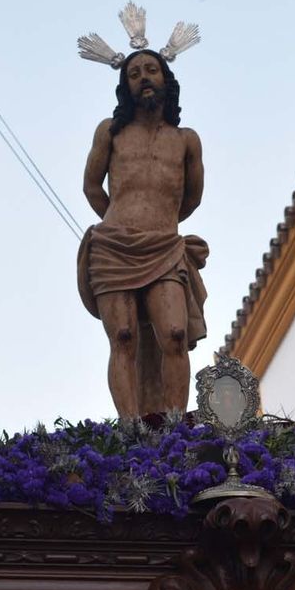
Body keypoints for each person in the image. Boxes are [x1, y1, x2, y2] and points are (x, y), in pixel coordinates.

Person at [77, 48, 208, 417]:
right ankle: (130, 425)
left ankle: (175, 422)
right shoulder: (110, 132)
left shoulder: (186, 140)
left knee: (175, 335)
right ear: (125, 86)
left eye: (151, 70)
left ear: (166, 79)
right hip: (113, 248)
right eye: (134, 74)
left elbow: (192, 198)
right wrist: (120, 223)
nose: (144, 77)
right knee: (123, 337)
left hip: (164, 247)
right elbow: (91, 186)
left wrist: (159, 223)